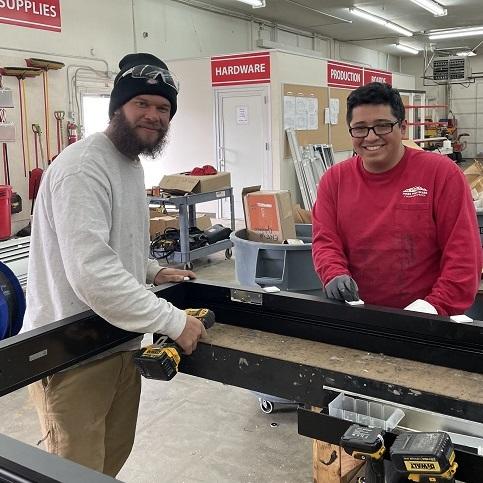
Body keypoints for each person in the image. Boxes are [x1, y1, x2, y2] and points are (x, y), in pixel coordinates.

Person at [23, 52, 206, 477]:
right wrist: (173, 320)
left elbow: (108, 244)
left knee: (110, 459)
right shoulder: (84, 167)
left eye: (163, 109)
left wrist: (147, 269)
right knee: (74, 469)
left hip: (116, 341)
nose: (154, 116)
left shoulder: (127, 163)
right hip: (70, 353)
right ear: (118, 106)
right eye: (142, 103)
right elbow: (92, 272)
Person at [312, 82, 481, 316]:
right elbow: (325, 241)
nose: (370, 137)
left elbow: (464, 255)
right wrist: (333, 273)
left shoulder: (441, 174)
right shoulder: (334, 180)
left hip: (430, 319)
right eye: (360, 128)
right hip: (357, 314)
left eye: (382, 126)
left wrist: (434, 306)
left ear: (402, 128)